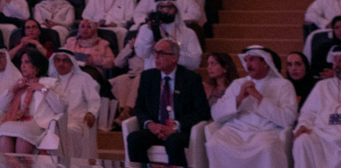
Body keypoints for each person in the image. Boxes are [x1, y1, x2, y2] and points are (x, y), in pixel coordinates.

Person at [206, 45, 298, 168]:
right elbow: (216, 114)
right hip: (236, 130)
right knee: (215, 142)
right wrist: (238, 99)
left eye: (252, 59)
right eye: (246, 60)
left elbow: (288, 119)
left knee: (267, 147)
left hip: (266, 132)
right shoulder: (238, 83)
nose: (248, 64)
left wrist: (259, 97)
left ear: (265, 63)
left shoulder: (283, 85)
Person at [126, 37, 210, 166]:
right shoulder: (148, 77)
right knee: (134, 138)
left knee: (173, 141)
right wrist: (150, 124)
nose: (156, 57)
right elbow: (139, 107)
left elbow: (203, 111)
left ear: (174, 57)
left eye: (161, 53)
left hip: (179, 131)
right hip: (156, 128)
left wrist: (175, 126)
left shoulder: (191, 79)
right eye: (155, 52)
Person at [0, 48, 63, 154]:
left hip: (39, 124)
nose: (22, 66)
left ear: (37, 65)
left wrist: (42, 89)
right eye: (21, 62)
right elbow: (0, 106)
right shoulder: (20, 83)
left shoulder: (51, 83)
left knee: (22, 136)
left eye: (27, 62)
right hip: (18, 121)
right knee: (3, 134)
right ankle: (9, 163)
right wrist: (13, 88)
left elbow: (60, 108)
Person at [49, 48, 103, 159]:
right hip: (53, 120)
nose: (61, 64)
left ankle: (72, 164)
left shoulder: (83, 79)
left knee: (69, 130)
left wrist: (91, 112)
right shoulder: (50, 80)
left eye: (65, 60)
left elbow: (94, 100)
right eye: (57, 60)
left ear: (72, 63)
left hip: (76, 120)